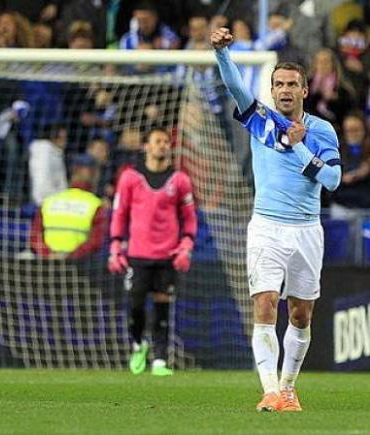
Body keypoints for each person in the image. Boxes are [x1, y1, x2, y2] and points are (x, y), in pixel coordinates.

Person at [211, 27, 342, 412]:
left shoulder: (321, 130)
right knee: (265, 302)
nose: (285, 89)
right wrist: (221, 53)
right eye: (278, 84)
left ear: (305, 91)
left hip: (306, 229)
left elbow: (332, 180)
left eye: (292, 84)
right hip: (266, 225)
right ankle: (269, 390)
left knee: (300, 315)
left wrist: (301, 147)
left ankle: (287, 388)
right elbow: (235, 84)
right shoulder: (259, 119)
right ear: (272, 90)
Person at [108, 127, 197, 376]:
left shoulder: (179, 180)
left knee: (162, 306)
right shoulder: (130, 178)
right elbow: (119, 213)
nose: (162, 146)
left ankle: (160, 359)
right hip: (138, 254)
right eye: (157, 141)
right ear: (146, 146)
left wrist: (186, 246)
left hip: (167, 255)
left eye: (166, 142)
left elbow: (189, 218)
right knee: (135, 305)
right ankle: (138, 344)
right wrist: (115, 245)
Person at [30, 154, 107, 259]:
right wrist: (70, 257)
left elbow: (35, 236)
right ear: (90, 172)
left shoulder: (49, 201)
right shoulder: (96, 205)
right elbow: (96, 240)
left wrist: (48, 254)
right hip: (78, 267)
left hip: (47, 265)